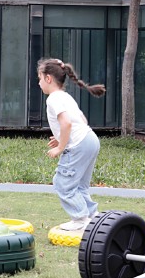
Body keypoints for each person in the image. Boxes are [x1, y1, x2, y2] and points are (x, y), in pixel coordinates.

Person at [37, 58, 106, 231]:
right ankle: (93, 217)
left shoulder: (53, 99)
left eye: (40, 78)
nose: (39, 83)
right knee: (79, 185)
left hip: (78, 145)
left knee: (63, 183)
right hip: (90, 139)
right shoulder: (66, 96)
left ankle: (80, 219)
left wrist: (60, 147)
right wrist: (61, 138)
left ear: (48, 78)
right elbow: (81, 120)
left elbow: (67, 123)